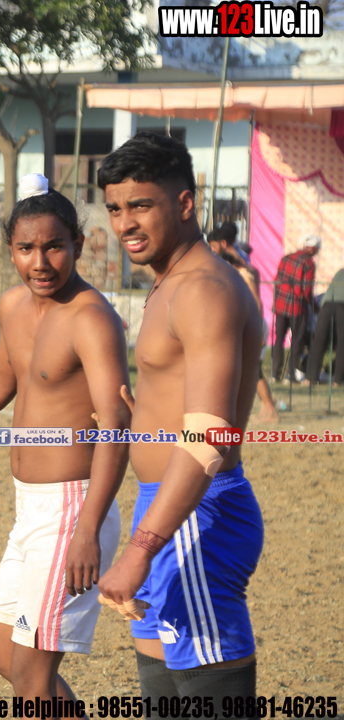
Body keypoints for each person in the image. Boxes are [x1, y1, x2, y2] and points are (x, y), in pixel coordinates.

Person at [0, 174, 130, 703]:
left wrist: (88, 529)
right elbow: (5, 379)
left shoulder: (92, 319)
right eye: (26, 249)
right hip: (28, 508)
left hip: (73, 509)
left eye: (54, 246)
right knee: (5, 656)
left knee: (31, 678)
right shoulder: (12, 305)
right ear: (9, 249)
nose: (40, 262)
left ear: (77, 244)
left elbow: (116, 425)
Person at [96, 132, 263, 701]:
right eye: (115, 209)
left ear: (185, 203)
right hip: (165, 504)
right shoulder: (170, 284)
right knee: (164, 697)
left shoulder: (203, 290)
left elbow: (209, 436)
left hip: (195, 513)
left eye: (141, 205)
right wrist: (142, 417)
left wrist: (141, 548)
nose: (125, 224)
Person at [219, 252, 279, 422]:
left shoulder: (244, 275)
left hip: (254, 325)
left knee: (255, 371)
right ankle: (267, 409)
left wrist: (257, 331)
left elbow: (257, 302)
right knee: (251, 371)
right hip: (249, 324)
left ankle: (271, 410)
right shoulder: (235, 276)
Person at [271, 235, 320, 383]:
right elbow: (307, 290)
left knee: (279, 339)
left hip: (280, 305)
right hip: (297, 307)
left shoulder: (286, 258)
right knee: (297, 340)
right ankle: (290, 374)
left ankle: (275, 373)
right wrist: (314, 306)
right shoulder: (308, 263)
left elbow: (277, 280)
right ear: (311, 248)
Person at [306, 266, 344, 386]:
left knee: (318, 341)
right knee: (342, 343)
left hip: (326, 304)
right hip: (342, 305)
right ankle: (338, 381)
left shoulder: (340, 271)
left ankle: (310, 378)